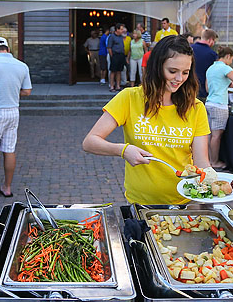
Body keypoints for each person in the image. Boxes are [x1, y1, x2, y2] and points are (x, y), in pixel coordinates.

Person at [82, 35, 211, 205]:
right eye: (172, 71)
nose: (179, 79)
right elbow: (90, 142)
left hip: (184, 203)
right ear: (157, 67)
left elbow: (201, 161)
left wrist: (212, 186)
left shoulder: (196, 107)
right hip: (139, 204)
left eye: (185, 72)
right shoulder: (130, 98)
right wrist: (123, 150)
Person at [0, 36, 32, 198]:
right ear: (8, 49)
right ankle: (7, 187)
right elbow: (27, 91)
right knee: (9, 150)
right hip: (13, 111)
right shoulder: (22, 65)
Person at [205, 46, 233, 169]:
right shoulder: (225, 68)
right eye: (231, 59)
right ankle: (214, 162)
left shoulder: (211, 68)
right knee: (216, 136)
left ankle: (207, 160)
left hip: (209, 103)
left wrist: (225, 84)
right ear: (228, 56)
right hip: (219, 105)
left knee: (208, 134)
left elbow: (208, 89)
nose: (231, 62)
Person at [191, 28, 219, 100]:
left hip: (188, 88)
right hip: (203, 91)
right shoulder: (212, 55)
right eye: (214, 41)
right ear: (210, 40)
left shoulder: (189, 49)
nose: (213, 44)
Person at [107, 23, 127, 92]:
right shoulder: (112, 37)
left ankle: (118, 85)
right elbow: (109, 47)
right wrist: (111, 56)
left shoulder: (121, 37)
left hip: (121, 55)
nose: (122, 30)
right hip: (115, 55)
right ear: (117, 29)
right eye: (121, 29)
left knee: (119, 71)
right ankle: (112, 86)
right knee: (113, 71)